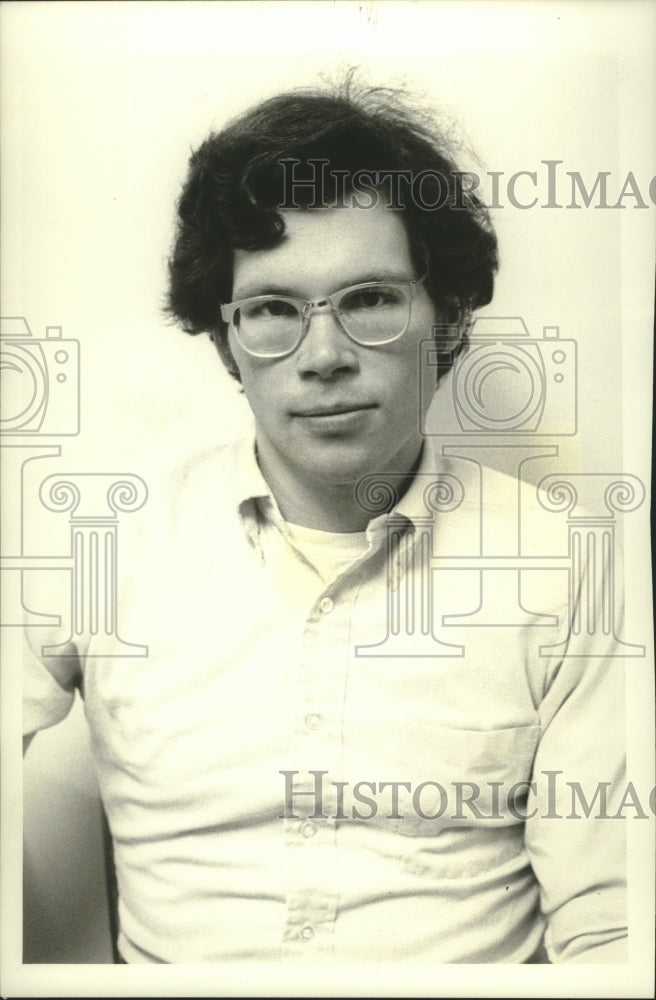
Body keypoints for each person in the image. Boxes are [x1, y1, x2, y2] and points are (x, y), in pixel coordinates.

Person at [24, 77, 627, 964]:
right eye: (273, 309)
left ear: (445, 315)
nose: (326, 357)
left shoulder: (568, 563)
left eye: (371, 300)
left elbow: (610, 922)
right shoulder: (99, 542)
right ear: (226, 339)